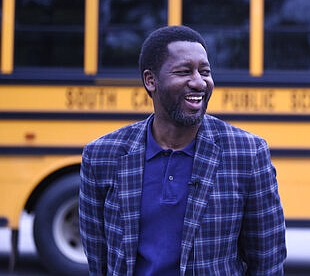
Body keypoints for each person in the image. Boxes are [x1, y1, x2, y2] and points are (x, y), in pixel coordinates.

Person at [79, 25, 286, 275]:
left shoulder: (247, 154)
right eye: (184, 71)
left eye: (205, 71)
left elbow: (267, 261)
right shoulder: (102, 156)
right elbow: (98, 262)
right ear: (151, 80)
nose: (199, 82)